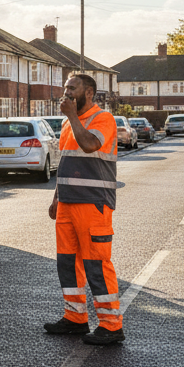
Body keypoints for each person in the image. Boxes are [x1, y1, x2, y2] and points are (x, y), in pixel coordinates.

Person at [45, 73, 124, 345]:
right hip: (68, 203)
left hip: (93, 203)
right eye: (65, 88)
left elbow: (90, 145)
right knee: (67, 263)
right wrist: (57, 198)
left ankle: (111, 326)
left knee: (96, 264)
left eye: (72, 89)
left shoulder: (103, 119)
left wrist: (73, 118)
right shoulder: (70, 124)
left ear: (89, 92)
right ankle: (75, 318)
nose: (66, 94)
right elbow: (66, 163)